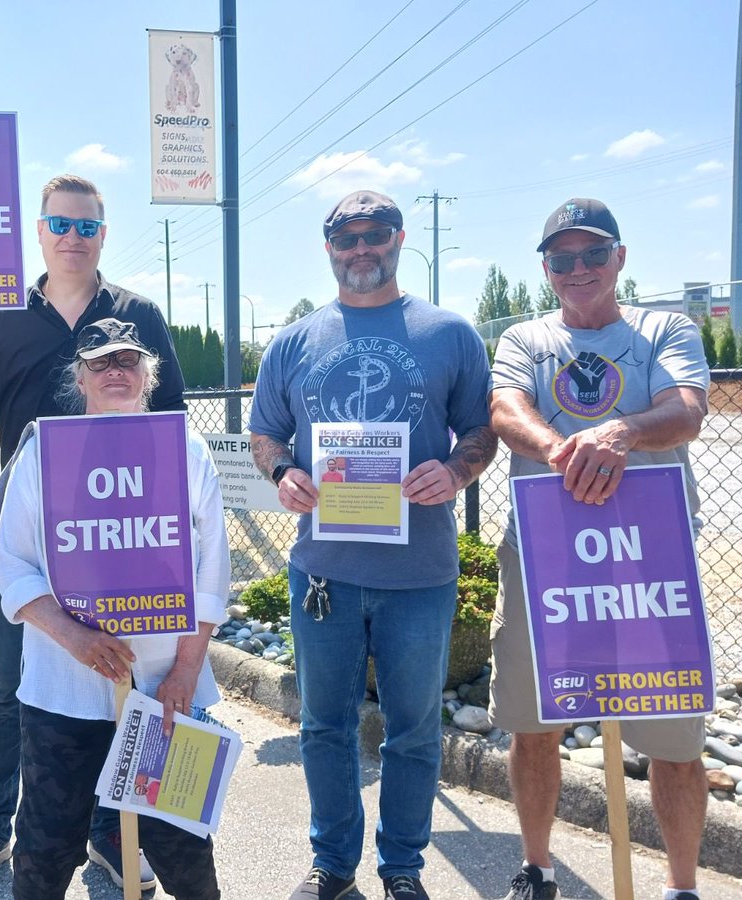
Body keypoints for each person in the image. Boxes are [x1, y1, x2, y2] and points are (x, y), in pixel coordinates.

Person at [0, 174, 185, 895]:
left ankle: (114, 831)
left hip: (123, 534)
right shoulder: (3, 318)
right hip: (33, 542)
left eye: (87, 226)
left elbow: (166, 432)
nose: (73, 237)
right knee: (6, 688)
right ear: (38, 232)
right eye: (60, 224)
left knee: (125, 680)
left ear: (103, 234)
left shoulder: (139, 314)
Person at [248, 190, 498, 900]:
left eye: (376, 233)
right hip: (325, 572)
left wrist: (454, 470)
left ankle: (403, 869)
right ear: (328, 247)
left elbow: (481, 429)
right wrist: (282, 471)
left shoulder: (449, 333)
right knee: (324, 725)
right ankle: (332, 863)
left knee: (413, 729)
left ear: (398, 239)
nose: (362, 248)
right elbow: (266, 432)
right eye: (346, 237)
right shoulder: (295, 341)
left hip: (419, 573)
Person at [488, 199, 710, 900]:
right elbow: (503, 410)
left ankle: (680, 887)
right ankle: (538, 868)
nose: (578, 269)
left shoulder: (664, 328)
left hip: (651, 560)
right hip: (544, 556)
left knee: (674, 741)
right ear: (547, 270)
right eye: (562, 258)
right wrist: (562, 453)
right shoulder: (525, 337)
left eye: (593, 254)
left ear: (620, 258)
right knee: (533, 724)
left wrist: (620, 434)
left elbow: (688, 410)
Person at [0, 318, 226, 900]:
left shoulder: (186, 450)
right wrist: (75, 638)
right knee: (45, 850)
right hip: (62, 693)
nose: (115, 371)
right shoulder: (44, 452)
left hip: (164, 692)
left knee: (184, 850)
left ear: (149, 375)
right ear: (81, 376)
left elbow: (211, 571)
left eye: (127, 361)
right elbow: (13, 567)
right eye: (100, 362)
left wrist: (185, 672)